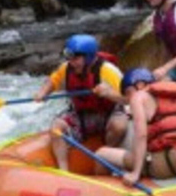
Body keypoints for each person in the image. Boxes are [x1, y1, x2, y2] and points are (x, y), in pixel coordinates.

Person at [33, 34, 127, 171]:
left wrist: (109, 93)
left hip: (108, 114)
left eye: (76, 58)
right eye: (70, 58)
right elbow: (52, 81)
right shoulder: (66, 68)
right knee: (56, 128)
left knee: (120, 126)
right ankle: (64, 170)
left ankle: (107, 155)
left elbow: (129, 98)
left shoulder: (108, 71)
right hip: (82, 116)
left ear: (88, 57)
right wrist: (43, 93)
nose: (72, 62)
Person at [95, 68, 176, 185]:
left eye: (128, 92)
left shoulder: (139, 97)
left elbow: (141, 135)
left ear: (140, 85)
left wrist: (136, 173)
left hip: (166, 164)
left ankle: (104, 188)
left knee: (101, 154)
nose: (129, 99)